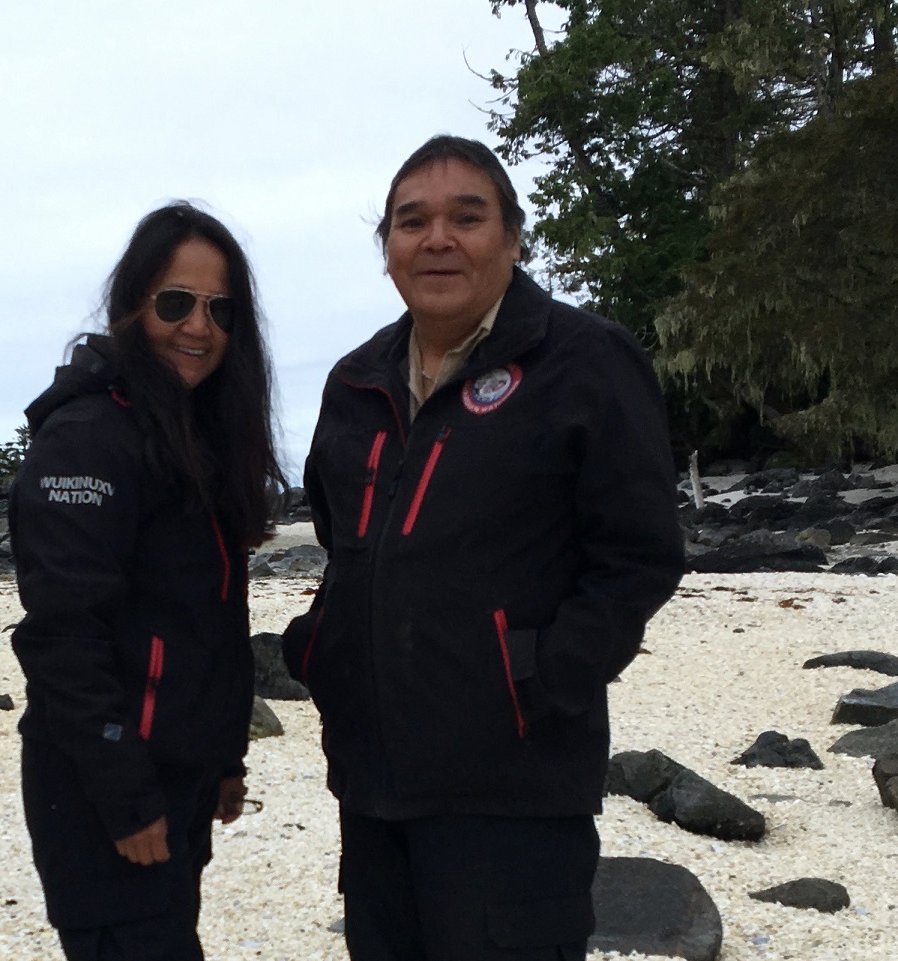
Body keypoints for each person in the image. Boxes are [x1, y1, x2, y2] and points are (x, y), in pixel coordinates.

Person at [280, 136, 685, 961]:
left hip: (514, 788)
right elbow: (344, 541)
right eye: (411, 221)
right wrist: (325, 652)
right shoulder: (355, 382)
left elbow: (639, 554)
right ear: (386, 248)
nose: (437, 239)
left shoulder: (582, 360)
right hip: (372, 783)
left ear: (511, 237)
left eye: (466, 217)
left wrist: (537, 677)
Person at [9, 202, 288, 960]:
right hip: (103, 787)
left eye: (218, 309)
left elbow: (208, 618)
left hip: (178, 775)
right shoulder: (89, 436)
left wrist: (225, 756)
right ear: (133, 304)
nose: (198, 326)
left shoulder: (191, 440)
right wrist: (125, 795)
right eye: (175, 303)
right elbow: (63, 635)